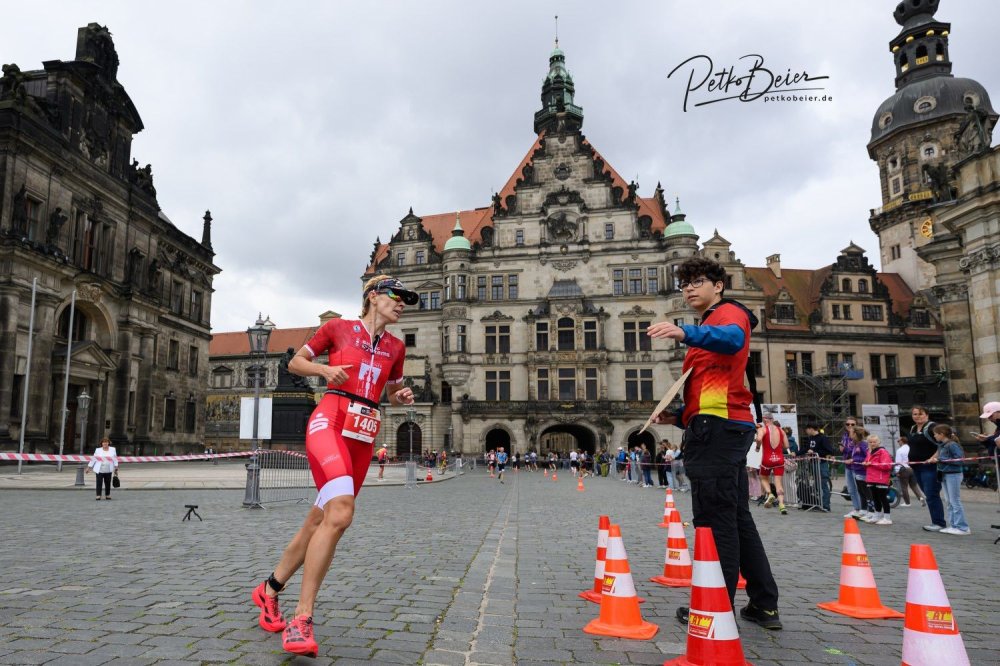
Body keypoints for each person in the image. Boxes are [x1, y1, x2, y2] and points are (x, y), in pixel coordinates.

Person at [250, 275, 417, 658]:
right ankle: (302, 619)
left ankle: (269, 589)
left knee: (319, 521)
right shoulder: (338, 328)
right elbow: (296, 362)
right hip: (331, 419)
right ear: (373, 296)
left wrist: (401, 395)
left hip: (363, 435)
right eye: (397, 296)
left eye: (407, 300)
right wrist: (324, 372)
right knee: (340, 514)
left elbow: (392, 391)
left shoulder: (396, 346)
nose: (402, 303)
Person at [648, 256, 780, 630]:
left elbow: (733, 339)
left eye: (697, 281)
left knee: (713, 518)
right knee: (736, 517)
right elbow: (711, 388)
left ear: (718, 285)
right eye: (685, 283)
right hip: (719, 424)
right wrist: (677, 416)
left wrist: (685, 333)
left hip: (718, 431)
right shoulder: (711, 322)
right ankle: (764, 604)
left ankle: (716, 605)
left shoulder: (727, 314)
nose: (689, 288)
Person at [908, 405, 946, 532]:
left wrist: (933, 458)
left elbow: (943, 444)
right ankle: (936, 521)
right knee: (928, 493)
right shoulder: (913, 428)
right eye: (915, 414)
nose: (917, 416)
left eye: (920, 414)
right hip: (916, 466)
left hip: (930, 466)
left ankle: (939, 523)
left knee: (931, 493)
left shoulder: (932, 427)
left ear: (927, 415)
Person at [929, 425, 971, 535]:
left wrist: (940, 459)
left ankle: (963, 527)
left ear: (942, 434)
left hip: (954, 475)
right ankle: (953, 525)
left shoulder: (952, 445)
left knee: (955, 501)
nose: (934, 436)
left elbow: (959, 460)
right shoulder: (942, 445)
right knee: (949, 502)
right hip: (945, 474)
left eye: (935, 434)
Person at [757, 414, 788, 515]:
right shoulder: (781, 430)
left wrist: (757, 447)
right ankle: (782, 505)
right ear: (772, 419)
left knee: (763, 477)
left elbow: (759, 439)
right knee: (778, 483)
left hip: (767, 459)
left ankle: (770, 494)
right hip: (779, 459)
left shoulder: (762, 429)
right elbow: (786, 445)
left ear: (765, 420)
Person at [802, 423, 835, 511]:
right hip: (814, 464)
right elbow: (806, 448)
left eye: (806, 429)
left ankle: (826, 506)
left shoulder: (823, 438)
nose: (806, 431)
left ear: (811, 429)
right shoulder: (810, 438)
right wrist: (796, 453)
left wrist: (815, 452)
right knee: (817, 485)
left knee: (823, 484)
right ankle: (819, 503)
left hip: (822, 464)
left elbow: (829, 450)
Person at [862, 434, 894, 525]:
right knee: (875, 498)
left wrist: (871, 463)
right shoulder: (869, 452)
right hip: (871, 478)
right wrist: (865, 463)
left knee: (883, 498)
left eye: (874, 442)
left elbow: (887, 466)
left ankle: (887, 518)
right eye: (870, 442)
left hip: (881, 479)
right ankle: (877, 515)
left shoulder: (883, 452)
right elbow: (867, 462)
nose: (872, 444)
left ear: (879, 442)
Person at [841, 418, 868, 519]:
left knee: (860, 489)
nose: (850, 426)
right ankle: (857, 509)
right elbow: (846, 450)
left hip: (858, 468)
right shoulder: (845, 436)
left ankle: (864, 509)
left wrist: (853, 459)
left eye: (852, 424)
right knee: (851, 489)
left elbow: (866, 456)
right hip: (848, 466)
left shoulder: (861, 442)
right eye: (848, 424)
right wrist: (843, 449)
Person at [893, 435, 925, 507]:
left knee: (904, 487)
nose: (898, 442)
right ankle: (922, 499)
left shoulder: (900, 450)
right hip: (912, 468)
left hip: (903, 469)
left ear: (902, 441)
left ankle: (907, 503)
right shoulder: (911, 448)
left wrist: (897, 471)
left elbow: (898, 462)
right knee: (914, 486)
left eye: (898, 441)